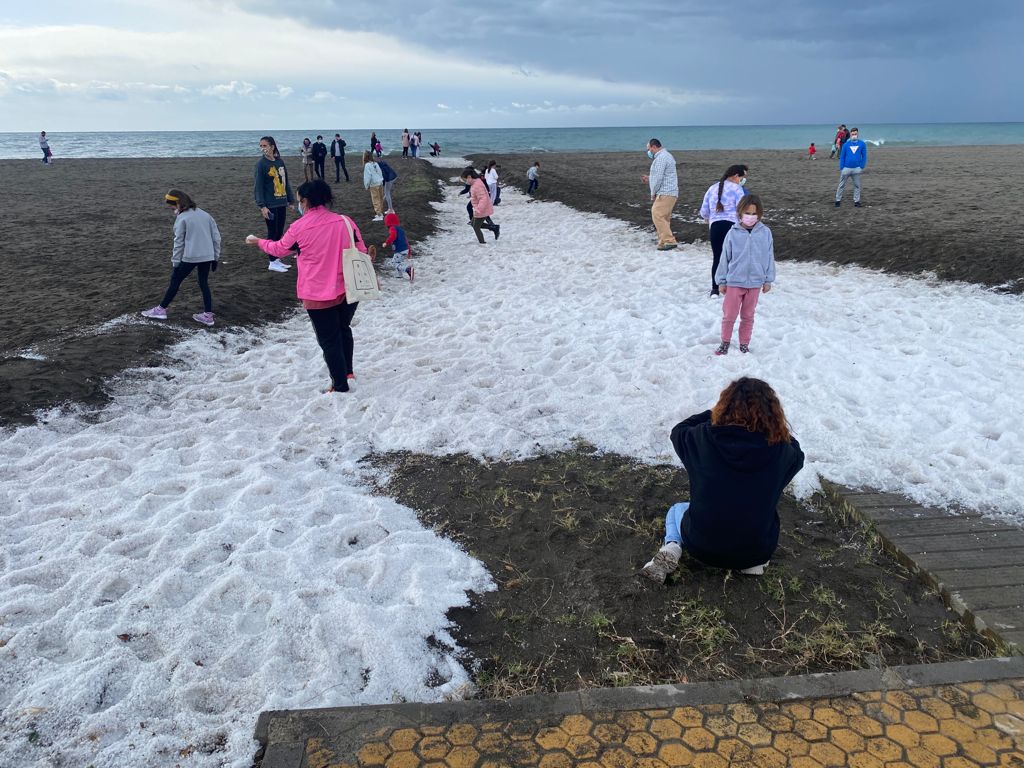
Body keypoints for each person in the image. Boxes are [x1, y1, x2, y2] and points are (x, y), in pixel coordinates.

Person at [640, 377, 804, 583]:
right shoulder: (783, 452)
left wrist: (715, 413)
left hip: (701, 547)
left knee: (676, 509)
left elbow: (679, 430)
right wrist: (776, 428)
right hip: (756, 550)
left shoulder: (701, 438)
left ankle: (672, 545)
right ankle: (751, 566)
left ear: (723, 407)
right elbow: (796, 450)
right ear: (773, 414)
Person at [244, 179, 368, 393]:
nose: (299, 204)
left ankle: (340, 385)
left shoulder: (299, 227)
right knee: (343, 330)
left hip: (318, 293)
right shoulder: (345, 221)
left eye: (300, 200)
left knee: (329, 340)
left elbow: (279, 249)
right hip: (349, 288)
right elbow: (362, 250)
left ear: (306, 201)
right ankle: (348, 372)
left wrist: (259, 242)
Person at [141, 189, 221, 326]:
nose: (171, 208)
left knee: (175, 280)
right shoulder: (206, 215)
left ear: (178, 203)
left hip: (190, 257)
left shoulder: (182, 218)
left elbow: (178, 243)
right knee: (203, 283)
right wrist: (215, 257)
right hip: (207, 256)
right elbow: (216, 237)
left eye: (171, 205)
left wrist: (175, 262)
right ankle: (208, 315)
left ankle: (161, 310)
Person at [714, 194, 775, 355]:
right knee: (729, 315)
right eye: (747, 213)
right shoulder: (732, 233)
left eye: (754, 213)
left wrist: (768, 280)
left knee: (748, 316)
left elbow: (769, 256)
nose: (751, 216)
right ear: (740, 213)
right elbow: (724, 257)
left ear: (759, 214)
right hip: (734, 281)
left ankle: (744, 344)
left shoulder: (765, 233)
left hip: (755, 283)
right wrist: (721, 280)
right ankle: (725, 342)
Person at [699, 164, 748, 297]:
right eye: (742, 177)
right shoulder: (737, 189)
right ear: (736, 176)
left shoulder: (712, 188)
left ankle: (715, 289)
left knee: (718, 258)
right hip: (732, 226)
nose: (742, 180)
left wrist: (710, 218)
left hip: (715, 227)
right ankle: (732, 287)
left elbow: (703, 211)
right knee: (733, 258)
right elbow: (741, 209)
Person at [254, 135, 295, 273]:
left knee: (279, 231)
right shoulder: (261, 164)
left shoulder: (279, 162)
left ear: (272, 146)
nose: (262, 149)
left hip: (281, 202)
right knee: (272, 231)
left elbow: (285, 182)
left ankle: (276, 258)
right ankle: (272, 261)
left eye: (265, 146)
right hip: (270, 204)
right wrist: (262, 206)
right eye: (261, 146)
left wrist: (290, 199)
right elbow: (258, 186)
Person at [640, 138, 679, 251]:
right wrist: (649, 178)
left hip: (665, 192)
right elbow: (661, 176)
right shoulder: (666, 156)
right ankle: (663, 241)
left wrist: (653, 193)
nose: (648, 152)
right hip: (670, 192)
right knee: (664, 218)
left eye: (649, 149)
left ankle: (669, 240)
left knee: (657, 213)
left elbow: (658, 178)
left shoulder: (661, 158)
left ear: (654, 147)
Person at [460, 167, 500, 244]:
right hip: (479, 208)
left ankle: (482, 243)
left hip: (481, 209)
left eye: (465, 180)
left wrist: (478, 210)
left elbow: (483, 198)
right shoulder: (475, 182)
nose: (465, 182)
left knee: (476, 227)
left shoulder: (477, 185)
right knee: (473, 224)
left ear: (469, 177)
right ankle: (494, 228)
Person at [835, 127, 867, 208]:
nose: (854, 135)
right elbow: (842, 156)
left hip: (856, 169)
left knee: (857, 185)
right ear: (850, 134)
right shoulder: (846, 144)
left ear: (857, 134)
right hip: (846, 168)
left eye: (855, 134)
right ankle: (838, 200)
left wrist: (861, 166)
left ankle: (857, 201)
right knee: (841, 185)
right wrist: (842, 167)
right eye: (852, 134)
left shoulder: (862, 144)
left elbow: (864, 156)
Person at [382, 211, 414, 282]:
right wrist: (409, 251)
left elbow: (393, 236)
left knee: (394, 263)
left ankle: (407, 269)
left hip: (400, 250)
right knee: (398, 262)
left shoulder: (392, 228)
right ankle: (399, 275)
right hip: (405, 249)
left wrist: (386, 243)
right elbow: (406, 240)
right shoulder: (401, 230)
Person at [363, 150, 385, 221]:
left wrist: (366, 185)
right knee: (380, 198)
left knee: (375, 199)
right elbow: (380, 172)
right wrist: (381, 179)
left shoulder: (367, 165)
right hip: (380, 182)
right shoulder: (375, 163)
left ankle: (379, 215)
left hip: (374, 184)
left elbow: (368, 176)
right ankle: (380, 212)